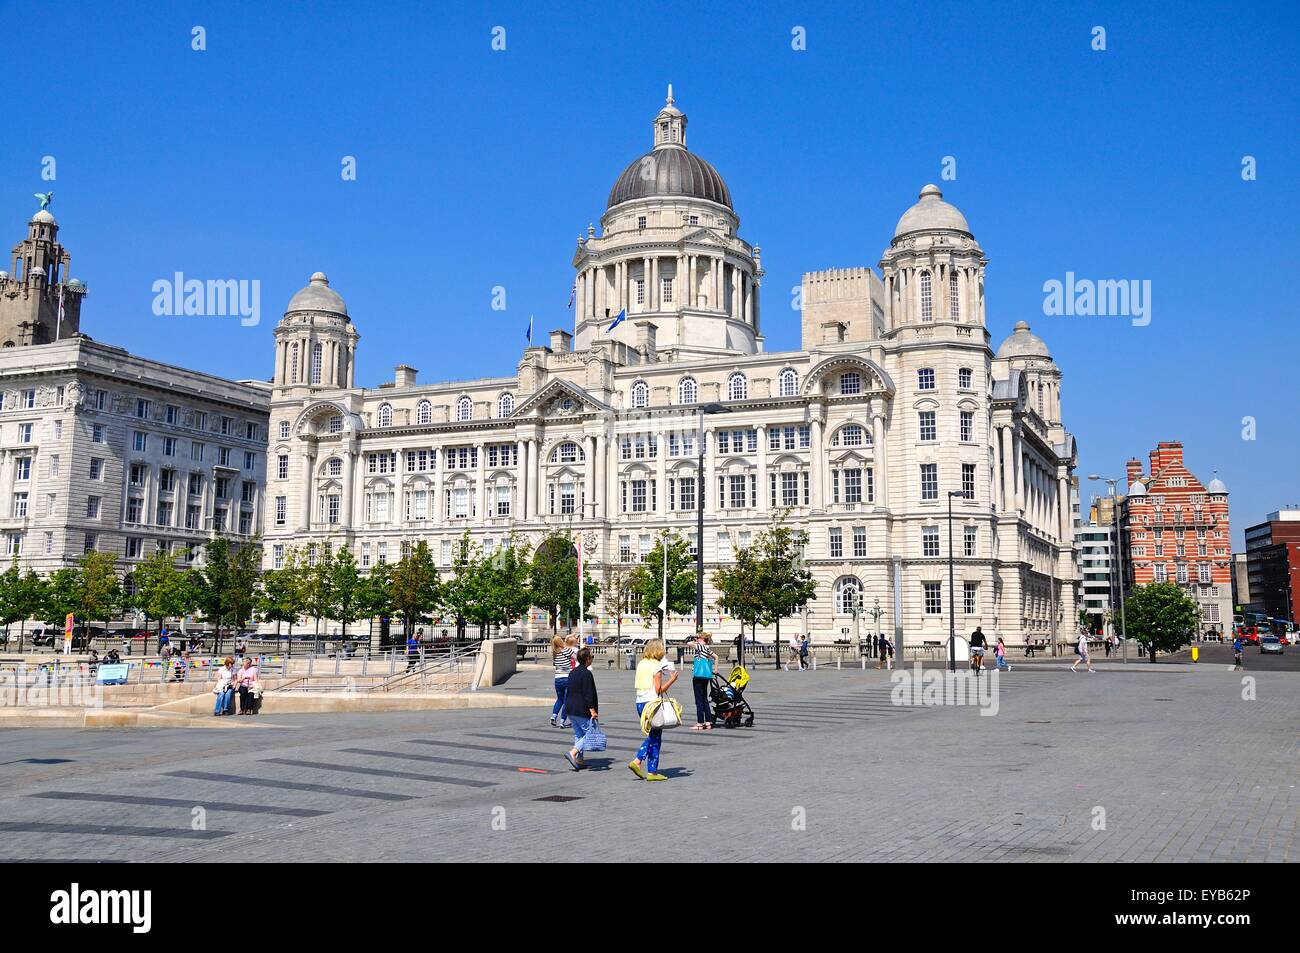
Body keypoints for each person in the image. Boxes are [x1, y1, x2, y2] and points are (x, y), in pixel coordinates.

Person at [629, 639, 677, 782]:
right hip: (652, 703)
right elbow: (659, 689)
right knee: (655, 736)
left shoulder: (641, 663)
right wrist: (672, 679)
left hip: (640, 702)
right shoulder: (656, 666)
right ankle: (642, 763)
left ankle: (650, 769)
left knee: (653, 733)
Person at [564, 647, 599, 771]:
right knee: (590, 733)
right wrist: (592, 710)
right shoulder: (586, 673)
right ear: (587, 659)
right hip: (581, 709)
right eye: (592, 657)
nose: (592, 659)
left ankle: (579, 759)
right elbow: (588, 694)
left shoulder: (573, 672)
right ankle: (573, 752)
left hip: (570, 708)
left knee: (579, 734)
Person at [690, 632, 716, 730]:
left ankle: (700, 723)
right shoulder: (707, 648)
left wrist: (695, 639)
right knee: (704, 699)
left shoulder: (700, 647)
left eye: (698, 637)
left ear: (701, 639)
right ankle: (708, 722)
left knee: (699, 700)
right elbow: (716, 657)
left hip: (698, 676)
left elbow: (688, 643)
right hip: (706, 676)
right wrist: (715, 669)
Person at [550, 634, 574, 728]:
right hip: (567, 678)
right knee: (566, 701)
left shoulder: (555, 653)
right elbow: (577, 658)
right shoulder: (567, 651)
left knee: (559, 699)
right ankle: (562, 721)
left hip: (557, 679)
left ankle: (553, 716)